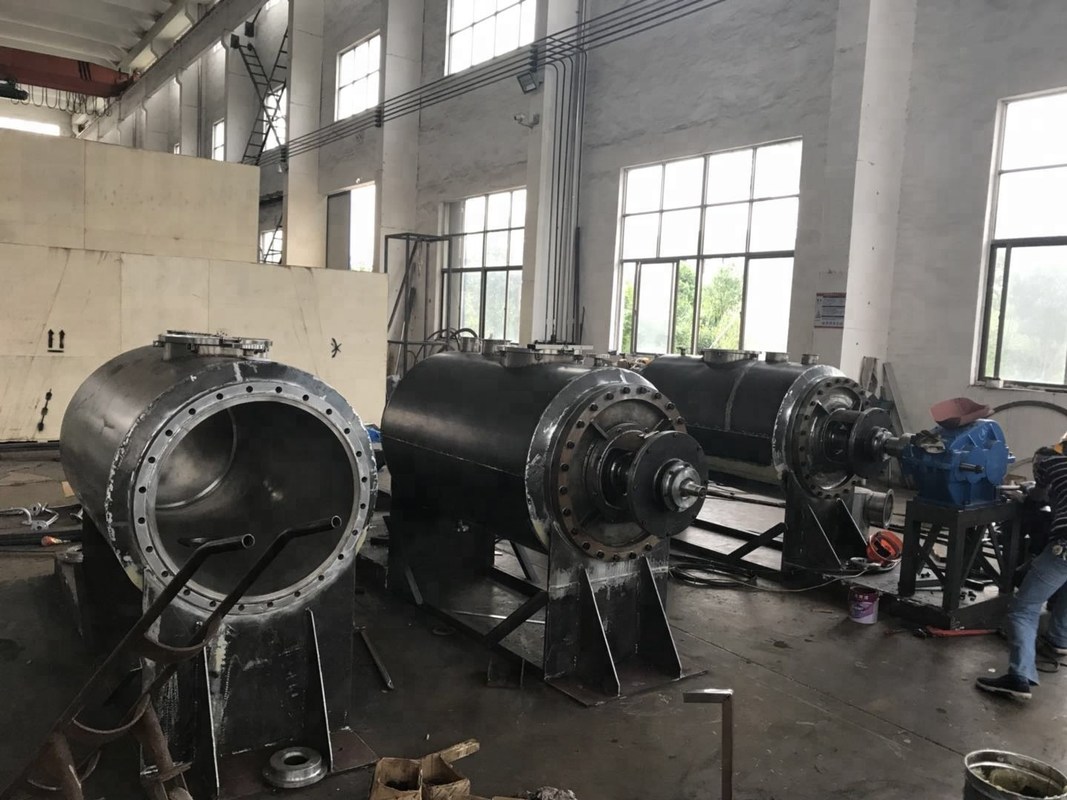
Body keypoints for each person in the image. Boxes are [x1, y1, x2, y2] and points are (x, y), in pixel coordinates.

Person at [977, 433, 1067, 700]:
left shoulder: (1051, 462)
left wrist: (1027, 492)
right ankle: (1059, 639)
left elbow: (1038, 495)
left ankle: (1019, 677)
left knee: (1024, 609)